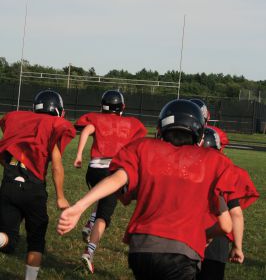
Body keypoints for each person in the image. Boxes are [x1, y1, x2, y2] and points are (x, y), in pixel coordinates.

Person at [58, 99, 241, 280]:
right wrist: (202, 235)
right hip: (181, 251)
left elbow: (117, 179)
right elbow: (226, 225)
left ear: (161, 128)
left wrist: (80, 206)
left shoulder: (145, 149)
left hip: (142, 248)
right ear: (200, 133)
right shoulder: (212, 162)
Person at [0, 89, 76, 280]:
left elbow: (6, 152)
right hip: (32, 189)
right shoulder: (53, 125)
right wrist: (60, 196)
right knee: (35, 241)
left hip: (9, 183)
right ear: (59, 111)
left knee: (7, 240)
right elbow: (56, 167)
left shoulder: (19, 119)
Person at [73, 89, 147, 274]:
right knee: (104, 216)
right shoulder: (131, 123)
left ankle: (90, 222)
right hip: (113, 171)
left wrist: (79, 154)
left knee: (104, 196)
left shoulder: (97, 119)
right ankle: (89, 252)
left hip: (93, 170)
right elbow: (138, 143)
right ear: (122, 107)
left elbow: (86, 131)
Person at [197, 127, 259, 280]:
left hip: (186, 232)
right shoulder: (226, 171)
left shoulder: (185, 168)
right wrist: (237, 247)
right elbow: (236, 214)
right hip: (218, 235)